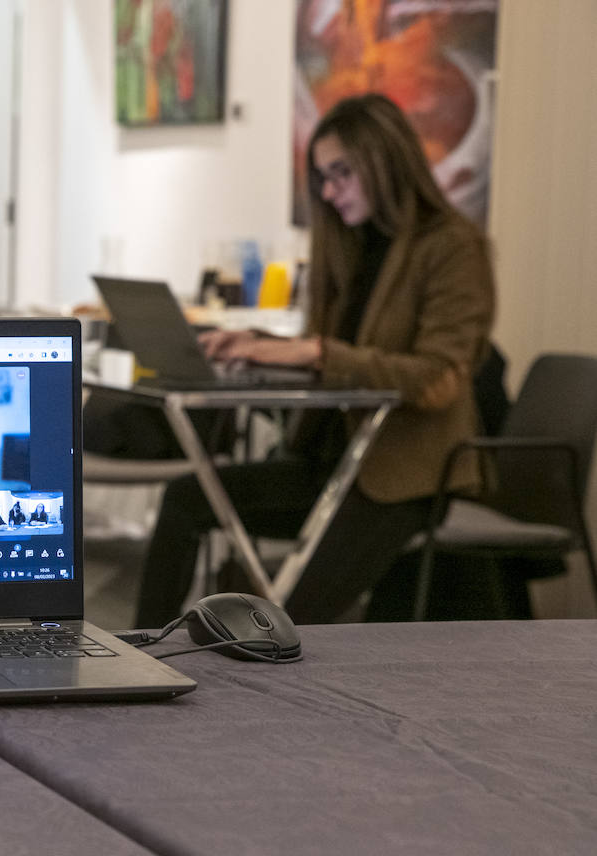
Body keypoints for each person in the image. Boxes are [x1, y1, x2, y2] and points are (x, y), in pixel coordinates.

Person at [136, 93, 496, 627]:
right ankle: (139, 648)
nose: (328, 192)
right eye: (324, 178)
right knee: (186, 499)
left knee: (287, 620)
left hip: (402, 479)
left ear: (385, 160)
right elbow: (327, 358)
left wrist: (315, 351)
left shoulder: (451, 247)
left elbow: (438, 379)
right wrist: (256, 345)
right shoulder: (350, 246)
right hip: (326, 465)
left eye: (341, 173)